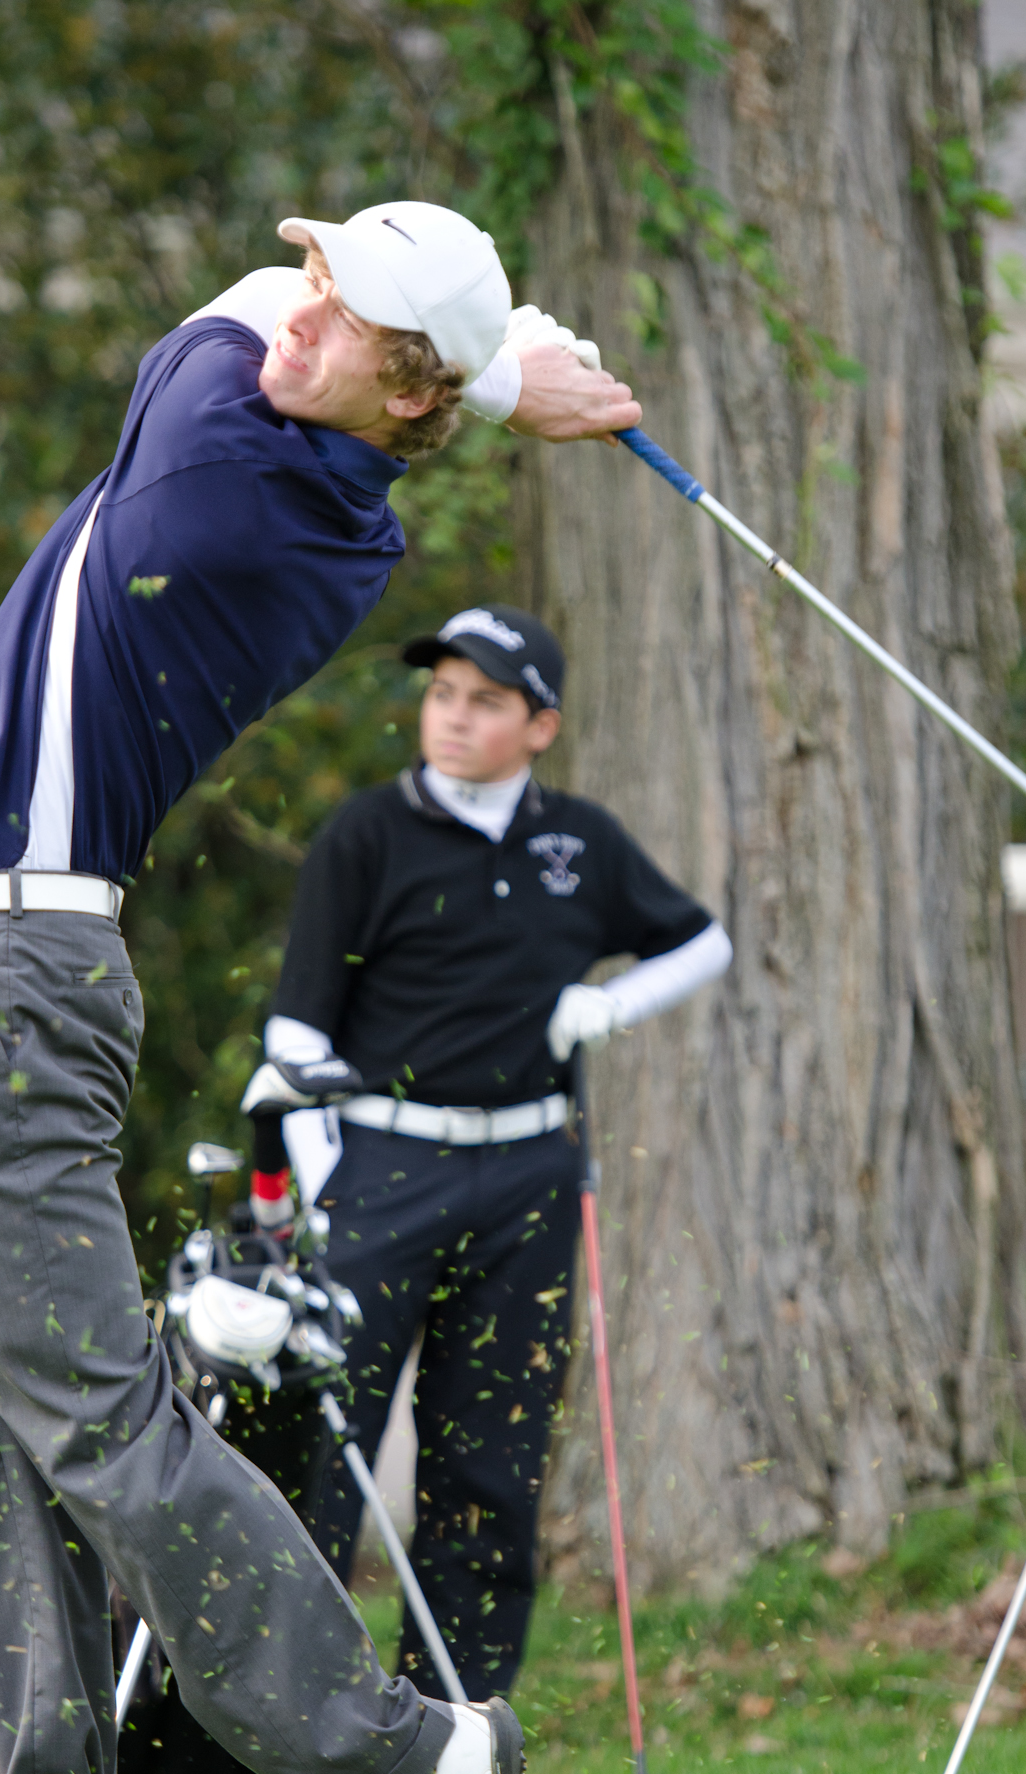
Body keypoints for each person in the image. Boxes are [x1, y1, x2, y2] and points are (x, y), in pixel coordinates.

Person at [0, 201, 642, 1774]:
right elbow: (279, 297)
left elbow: (226, 308)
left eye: (345, 317)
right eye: (320, 283)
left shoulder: (235, 476)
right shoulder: (316, 455)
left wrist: (504, 370)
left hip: (3, 985)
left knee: (97, 1424)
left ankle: (400, 1757)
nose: (301, 319)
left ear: (401, 384)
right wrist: (497, 372)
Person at [253, 602, 731, 1701]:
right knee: (329, 1440)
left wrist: (605, 1007)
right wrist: (321, 1170)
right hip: (379, 1164)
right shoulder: (365, 833)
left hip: (527, 1175)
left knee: (490, 1455)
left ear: (539, 727)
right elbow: (296, 1026)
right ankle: (295, 1711)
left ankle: (454, 1716)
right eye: (440, 693)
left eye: (484, 700)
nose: (453, 717)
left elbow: (702, 941)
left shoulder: (580, 842)